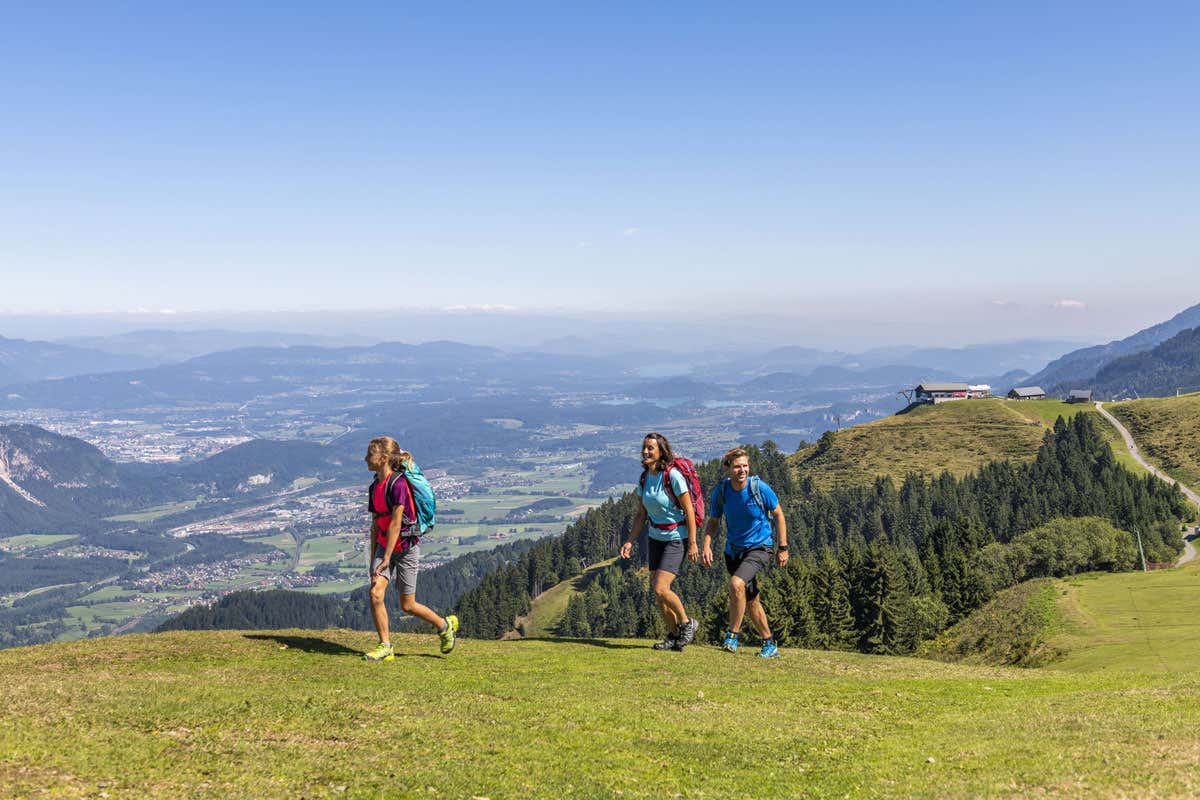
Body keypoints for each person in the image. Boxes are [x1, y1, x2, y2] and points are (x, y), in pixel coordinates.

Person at [362, 436, 457, 661]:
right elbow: (376, 524)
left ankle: (444, 627)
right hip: (384, 547)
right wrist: (374, 559)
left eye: (370, 454)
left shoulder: (399, 485)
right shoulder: (375, 486)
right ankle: (385, 646)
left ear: (384, 458)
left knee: (408, 605)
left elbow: (396, 522)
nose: (366, 459)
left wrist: (385, 557)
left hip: (405, 548)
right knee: (375, 593)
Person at [701, 447, 789, 658]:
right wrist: (706, 544)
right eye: (737, 466)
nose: (742, 470)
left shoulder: (759, 488)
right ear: (728, 468)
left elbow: (778, 514)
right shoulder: (721, 492)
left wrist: (783, 547)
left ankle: (732, 635)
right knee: (750, 600)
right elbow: (713, 521)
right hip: (733, 550)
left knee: (736, 584)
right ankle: (769, 644)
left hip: (760, 547)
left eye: (745, 466)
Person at [619, 432, 700, 650]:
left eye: (650, 448)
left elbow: (690, 511)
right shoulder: (645, 478)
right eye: (644, 447)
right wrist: (630, 541)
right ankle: (673, 637)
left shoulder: (672, 476)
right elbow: (640, 515)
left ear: (661, 451)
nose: (645, 451)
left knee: (660, 588)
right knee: (659, 595)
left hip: (676, 538)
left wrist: (692, 543)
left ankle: (686, 623)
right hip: (655, 538)